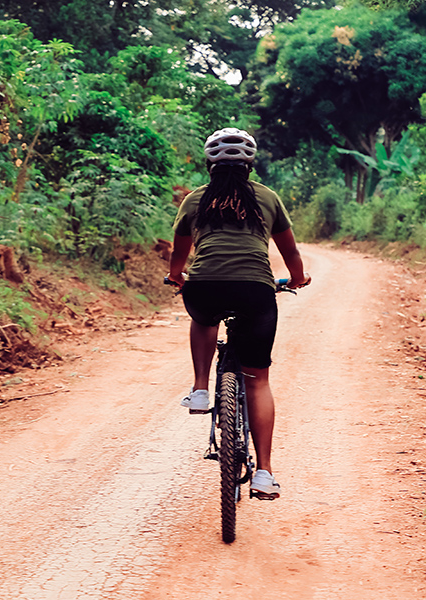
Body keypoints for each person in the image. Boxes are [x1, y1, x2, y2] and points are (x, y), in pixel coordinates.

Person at [166, 127, 310, 500]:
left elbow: (179, 254)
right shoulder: (267, 197)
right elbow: (291, 253)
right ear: (250, 164)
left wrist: (176, 277)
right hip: (255, 291)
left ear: (209, 163)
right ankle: (264, 473)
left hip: (204, 288)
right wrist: (297, 278)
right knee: (257, 380)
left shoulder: (195, 200)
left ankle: (200, 390)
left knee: (204, 317)